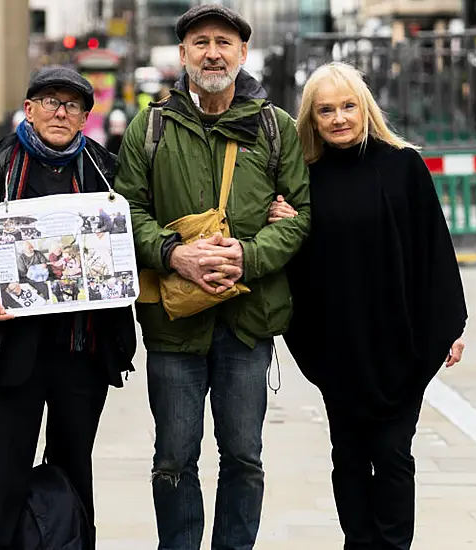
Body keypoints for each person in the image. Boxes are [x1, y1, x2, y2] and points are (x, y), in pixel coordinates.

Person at [113, 4, 311, 549]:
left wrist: (245, 257)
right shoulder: (150, 127)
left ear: (243, 53)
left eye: (224, 42)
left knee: (244, 455)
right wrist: (176, 254)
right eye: (200, 42)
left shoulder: (277, 129)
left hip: (248, 322)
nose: (213, 52)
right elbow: (125, 212)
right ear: (183, 55)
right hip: (174, 324)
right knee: (174, 454)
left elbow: (302, 214)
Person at [267, 61, 467, 549]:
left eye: (347, 106)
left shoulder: (402, 165)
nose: (338, 118)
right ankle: (358, 542)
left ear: (366, 108)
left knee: (394, 452)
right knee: (350, 454)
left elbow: (433, 247)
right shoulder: (303, 179)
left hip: (403, 338)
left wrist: (452, 324)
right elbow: (302, 261)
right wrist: (288, 222)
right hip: (340, 343)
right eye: (326, 110)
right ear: (311, 119)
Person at [0, 66, 137, 550]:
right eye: (50, 101)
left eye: (72, 105)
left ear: (85, 117)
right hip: (13, 353)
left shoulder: (104, 170)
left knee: (73, 473)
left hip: (83, 352)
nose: (61, 112)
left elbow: (131, 242)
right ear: (28, 109)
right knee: (1, 481)